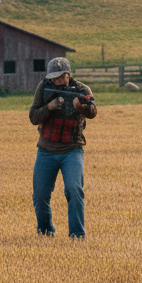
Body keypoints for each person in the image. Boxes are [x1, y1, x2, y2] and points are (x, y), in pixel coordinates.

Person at [28, 56, 97, 238]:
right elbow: (33, 117)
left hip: (72, 149)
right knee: (40, 195)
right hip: (46, 150)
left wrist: (81, 107)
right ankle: (45, 232)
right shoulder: (44, 87)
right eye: (54, 77)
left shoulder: (82, 89)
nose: (57, 80)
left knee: (74, 189)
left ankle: (76, 235)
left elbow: (93, 112)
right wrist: (49, 107)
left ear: (68, 74)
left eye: (60, 77)